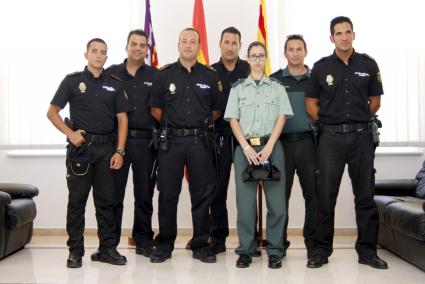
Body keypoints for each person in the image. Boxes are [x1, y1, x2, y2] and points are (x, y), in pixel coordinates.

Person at [305, 16, 388, 269]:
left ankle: (367, 252)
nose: (343, 37)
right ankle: (321, 250)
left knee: (364, 195)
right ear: (331, 37)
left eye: (347, 32)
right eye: (338, 33)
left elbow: (375, 101)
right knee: (325, 197)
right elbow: (311, 105)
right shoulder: (320, 67)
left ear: (353, 35)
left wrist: (356, 121)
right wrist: (332, 122)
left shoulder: (369, 64)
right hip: (330, 138)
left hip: (362, 138)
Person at [47, 38, 132, 268]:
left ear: (106, 57)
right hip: (81, 151)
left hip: (107, 150)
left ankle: (107, 249)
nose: (98, 55)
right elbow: (52, 112)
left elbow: (122, 120)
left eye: (103, 52)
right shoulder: (72, 81)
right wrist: (71, 134)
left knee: (106, 203)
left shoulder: (115, 83)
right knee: (77, 203)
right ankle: (75, 252)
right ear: (86, 55)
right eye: (94, 51)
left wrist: (120, 151)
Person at [148, 28, 223, 263]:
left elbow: (218, 109)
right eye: (184, 41)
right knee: (168, 194)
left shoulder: (211, 76)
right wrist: (174, 125)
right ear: (178, 45)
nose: (189, 45)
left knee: (201, 194)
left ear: (199, 46)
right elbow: (155, 108)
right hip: (171, 142)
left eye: (193, 41)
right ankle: (165, 244)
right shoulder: (164, 75)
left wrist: (197, 126)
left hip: (200, 141)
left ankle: (200, 244)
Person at [224, 41, 293, 269]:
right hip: (246, 149)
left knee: (277, 204)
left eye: (261, 56)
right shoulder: (238, 89)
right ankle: (246, 249)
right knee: (245, 204)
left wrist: (270, 146)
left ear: (266, 58)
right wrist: (246, 147)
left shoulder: (277, 87)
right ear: (248, 58)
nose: (257, 60)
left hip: (271, 147)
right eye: (253, 56)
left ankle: (274, 249)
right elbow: (233, 119)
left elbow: (282, 117)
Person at [106, 29, 158, 258]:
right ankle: (110, 244)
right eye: (133, 44)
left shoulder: (155, 75)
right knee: (113, 195)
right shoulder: (111, 74)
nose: (138, 48)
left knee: (144, 195)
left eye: (142, 45)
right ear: (126, 46)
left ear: (147, 49)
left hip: (146, 143)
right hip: (118, 143)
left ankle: (143, 240)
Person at [270, 34, 317, 258]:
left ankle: (313, 244)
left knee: (313, 196)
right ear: (285, 53)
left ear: (305, 51)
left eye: (299, 49)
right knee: (280, 197)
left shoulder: (316, 78)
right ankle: (278, 245)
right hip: (282, 146)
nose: (295, 53)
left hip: (309, 144)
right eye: (291, 49)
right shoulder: (274, 80)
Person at [209, 26, 250, 254]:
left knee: (247, 188)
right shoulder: (210, 72)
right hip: (220, 136)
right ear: (220, 44)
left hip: (246, 136)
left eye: (235, 43)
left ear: (240, 46)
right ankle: (218, 238)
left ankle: (249, 238)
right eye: (227, 42)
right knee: (218, 189)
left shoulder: (249, 69)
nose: (230, 47)